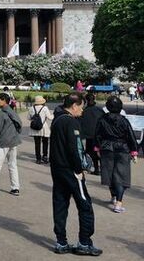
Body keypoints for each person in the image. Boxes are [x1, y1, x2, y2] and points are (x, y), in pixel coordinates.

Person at [49, 93, 101, 256]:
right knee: (85, 204)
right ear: (74, 105)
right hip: (70, 170)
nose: (82, 110)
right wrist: (79, 170)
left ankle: (61, 241)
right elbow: (75, 149)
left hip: (57, 169)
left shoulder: (57, 120)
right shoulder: (71, 122)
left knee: (60, 204)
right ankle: (84, 243)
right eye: (81, 106)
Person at [95, 96, 138, 213]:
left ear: (107, 107)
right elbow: (131, 136)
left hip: (106, 148)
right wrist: (134, 151)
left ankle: (113, 196)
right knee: (121, 176)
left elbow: (97, 135)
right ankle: (118, 203)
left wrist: (97, 148)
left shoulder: (102, 119)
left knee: (110, 174)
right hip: (122, 149)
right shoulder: (124, 120)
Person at [0, 92, 21, 196]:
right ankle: (15, 188)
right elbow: (19, 124)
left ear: (3, 100)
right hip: (14, 140)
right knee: (13, 165)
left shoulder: (1, 114)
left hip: (3, 141)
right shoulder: (13, 112)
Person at [80, 93, 105, 175]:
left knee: (91, 152)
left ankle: (96, 169)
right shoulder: (99, 110)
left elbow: (81, 123)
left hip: (89, 135)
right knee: (99, 151)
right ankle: (103, 169)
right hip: (99, 135)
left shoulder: (84, 111)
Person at [28, 95, 52, 164]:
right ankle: (44, 156)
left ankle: (38, 158)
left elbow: (28, 118)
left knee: (37, 143)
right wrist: (55, 115)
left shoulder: (31, 108)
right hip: (43, 127)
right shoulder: (45, 108)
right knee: (45, 142)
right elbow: (50, 117)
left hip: (35, 128)